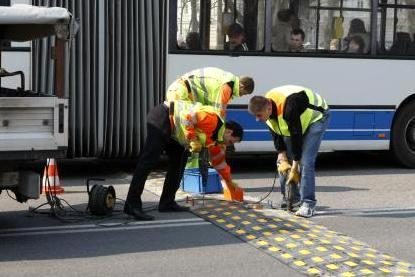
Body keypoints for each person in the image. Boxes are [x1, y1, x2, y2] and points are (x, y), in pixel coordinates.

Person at [124, 100, 244, 220]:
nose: (229, 145)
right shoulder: (212, 120)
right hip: (164, 117)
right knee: (148, 161)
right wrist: (192, 139)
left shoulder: (215, 139)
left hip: (175, 130)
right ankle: (132, 204)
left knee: (178, 164)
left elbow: (219, 163)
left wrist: (230, 183)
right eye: (231, 141)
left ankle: (167, 202)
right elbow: (188, 117)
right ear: (229, 132)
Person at [248, 85, 329, 218]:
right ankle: (291, 198)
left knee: (306, 161)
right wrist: (282, 156)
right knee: (282, 162)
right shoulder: (266, 109)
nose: (257, 119)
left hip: (317, 117)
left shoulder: (289, 108)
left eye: (259, 115)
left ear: (268, 108)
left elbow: (296, 135)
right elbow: (276, 134)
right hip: (297, 122)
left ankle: (308, 204)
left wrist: (294, 168)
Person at [166, 67, 254, 118]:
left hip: (179, 91)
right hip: (181, 93)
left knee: (187, 124)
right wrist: (220, 139)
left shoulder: (228, 80)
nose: (242, 96)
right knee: (182, 126)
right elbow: (219, 113)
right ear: (242, 86)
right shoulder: (228, 85)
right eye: (244, 93)